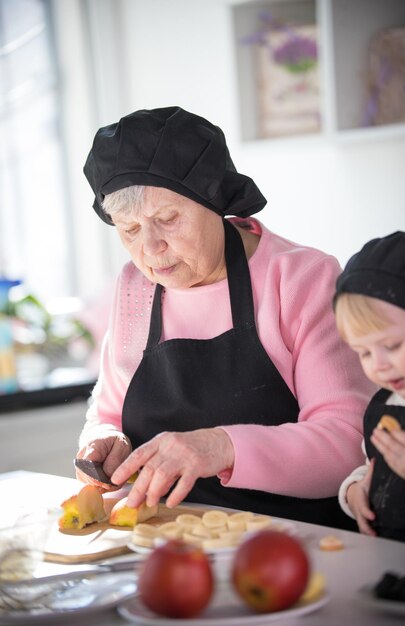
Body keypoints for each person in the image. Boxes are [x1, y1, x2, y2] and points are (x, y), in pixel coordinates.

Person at [77, 106, 373, 529]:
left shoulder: (301, 278)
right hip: (163, 545)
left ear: (212, 200)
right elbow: (106, 414)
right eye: (129, 229)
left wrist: (221, 447)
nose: (151, 248)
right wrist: (105, 442)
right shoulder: (134, 288)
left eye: (167, 219)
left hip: (293, 545)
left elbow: (349, 443)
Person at [335, 231, 405, 544]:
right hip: (389, 557)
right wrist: (355, 492)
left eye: (391, 345)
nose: (378, 364)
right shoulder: (384, 405)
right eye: (364, 352)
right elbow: (371, 466)